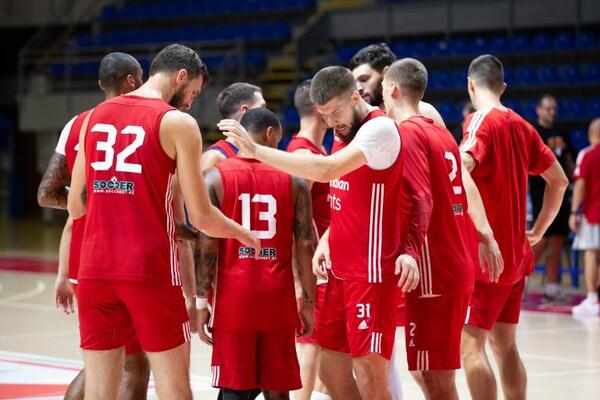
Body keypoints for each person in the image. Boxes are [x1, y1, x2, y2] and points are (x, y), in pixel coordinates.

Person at [220, 66, 429, 400]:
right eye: (324, 116)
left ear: (355, 97)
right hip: (338, 270)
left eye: (336, 113)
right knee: (330, 369)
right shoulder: (343, 129)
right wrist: (329, 239)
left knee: (370, 374)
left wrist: (256, 150)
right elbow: (347, 193)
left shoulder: (380, 129)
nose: (332, 122)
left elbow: (328, 170)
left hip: (371, 273)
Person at [67, 43, 260, 400]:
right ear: (181, 76)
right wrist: (243, 233)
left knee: (98, 392)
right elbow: (201, 216)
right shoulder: (177, 122)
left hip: (94, 268)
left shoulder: (93, 116)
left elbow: (75, 205)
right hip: (150, 270)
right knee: (175, 389)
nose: (190, 102)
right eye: (193, 93)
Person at [382, 58, 503, 400]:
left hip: (434, 269)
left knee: (435, 379)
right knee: (426, 372)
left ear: (393, 89)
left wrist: (408, 250)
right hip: (448, 262)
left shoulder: (408, 132)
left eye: (383, 90)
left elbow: (420, 198)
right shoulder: (440, 132)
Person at [37, 52, 151, 400]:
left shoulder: (78, 123)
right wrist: (111, 202)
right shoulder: (147, 120)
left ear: (102, 84)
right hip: (124, 255)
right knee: (134, 364)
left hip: (84, 256)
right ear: (132, 80)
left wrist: (93, 201)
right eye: (141, 76)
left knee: (100, 361)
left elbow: (47, 193)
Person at [459, 54, 568, 400]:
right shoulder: (523, 126)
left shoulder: (479, 121)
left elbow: (460, 168)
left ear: (471, 84)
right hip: (517, 257)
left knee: (470, 345)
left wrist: (483, 233)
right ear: (502, 87)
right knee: (504, 346)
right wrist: (539, 230)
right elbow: (560, 181)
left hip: (486, 259)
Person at [194, 108, 316, 400]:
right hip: (278, 299)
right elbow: (305, 245)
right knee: (278, 390)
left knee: (234, 389)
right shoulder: (295, 181)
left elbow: (207, 245)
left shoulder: (213, 177)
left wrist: (201, 303)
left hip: (233, 300)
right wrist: (309, 302)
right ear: (270, 134)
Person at [286, 79, 331, 400]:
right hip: (313, 269)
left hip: (325, 265)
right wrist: (298, 282)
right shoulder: (302, 154)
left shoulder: (319, 151)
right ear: (319, 108)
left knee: (325, 352)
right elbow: (291, 224)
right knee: (310, 347)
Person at [530, 94, 576, 300]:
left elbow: (569, 158)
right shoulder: (533, 132)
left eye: (554, 109)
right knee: (540, 239)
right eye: (548, 108)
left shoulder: (561, 131)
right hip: (539, 191)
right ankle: (520, 280)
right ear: (539, 110)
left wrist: (574, 181)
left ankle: (551, 286)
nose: (552, 112)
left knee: (557, 239)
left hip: (560, 190)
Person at [349, 43, 445, 127]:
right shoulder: (359, 121)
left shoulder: (424, 111)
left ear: (386, 73)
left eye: (364, 79)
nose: (358, 88)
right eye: (355, 83)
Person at [570, 118, 600, 316]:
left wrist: (574, 212)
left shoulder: (586, 154)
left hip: (593, 212)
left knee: (591, 253)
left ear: (591, 133)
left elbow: (580, 185)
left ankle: (592, 298)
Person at [201, 82, 266, 171]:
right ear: (245, 111)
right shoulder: (215, 156)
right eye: (263, 107)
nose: (267, 113)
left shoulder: (261, 153)